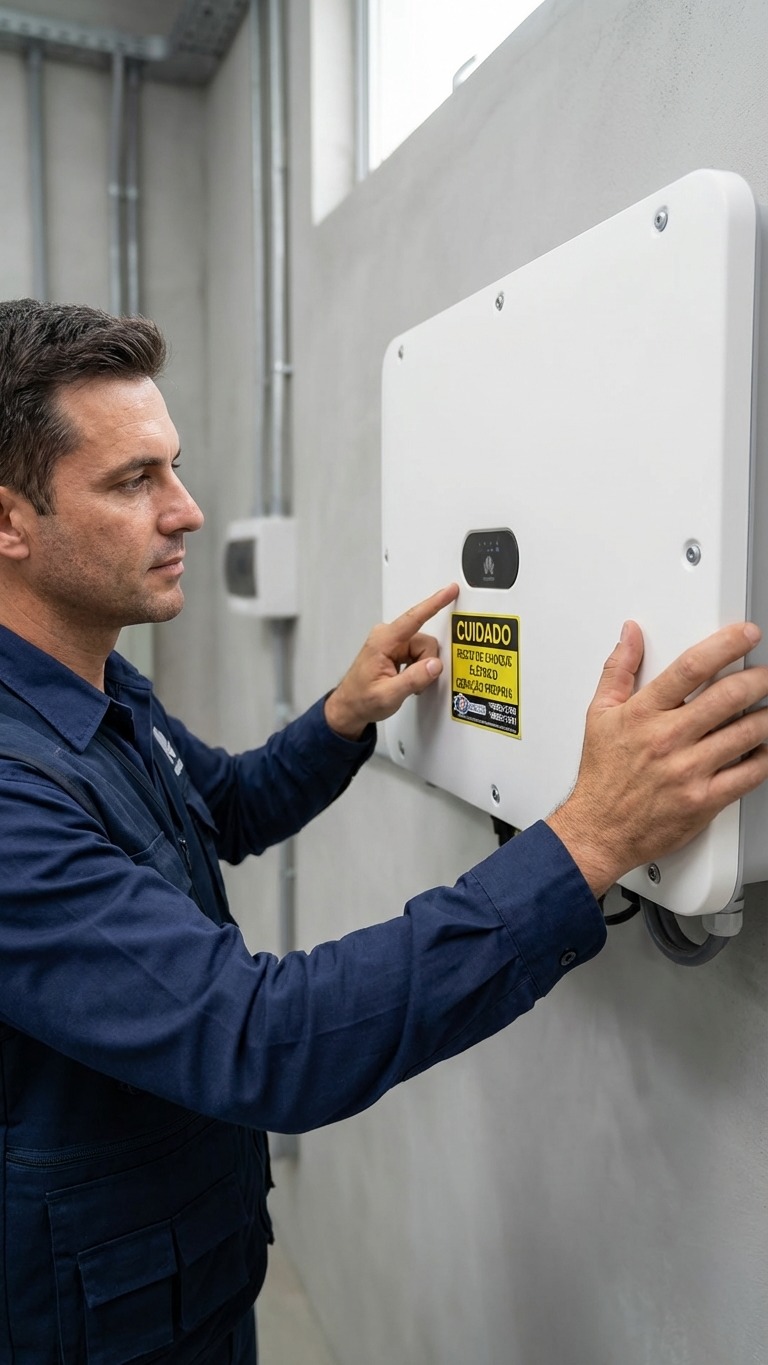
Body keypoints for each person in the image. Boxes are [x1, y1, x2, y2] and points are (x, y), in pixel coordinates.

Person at [0, 300, 766, 1365]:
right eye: (134, 482)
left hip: (189, 1280)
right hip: (91, 1329)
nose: (188, 511)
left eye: (172, 468)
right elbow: (259, 1040)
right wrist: (588, 840)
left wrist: (343, 716)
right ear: (10, 524)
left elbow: (220, 803)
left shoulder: (89, 683)